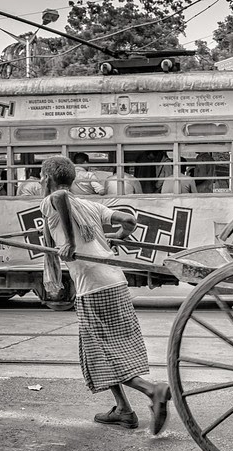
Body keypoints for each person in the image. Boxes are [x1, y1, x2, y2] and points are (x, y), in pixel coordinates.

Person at [39, 155, 171, 434]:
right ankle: (123, 410)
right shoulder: (90, 205)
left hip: (93, 286)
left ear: (48, 179)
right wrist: (118, 237)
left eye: (43, 178)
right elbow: (129, 220)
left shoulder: (52, 199)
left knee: (102, 350)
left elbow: (60, 195)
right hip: (115, 283)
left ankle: (153, 390)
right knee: (100, 351)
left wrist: (71, 242)